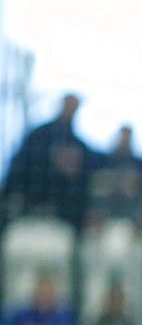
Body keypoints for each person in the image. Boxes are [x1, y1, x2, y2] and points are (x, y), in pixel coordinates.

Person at [1, 93, 93, 227]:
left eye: (74, 107)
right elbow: (20, 164)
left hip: (62, 204)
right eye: (69, 106)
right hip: (31, 195)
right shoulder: (39, 135)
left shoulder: (77, 144)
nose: (71, 110)